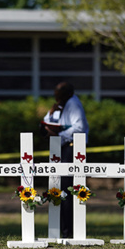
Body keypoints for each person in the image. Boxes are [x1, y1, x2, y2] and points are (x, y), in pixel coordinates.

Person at [42, 81, 89, 239]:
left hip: (71, 148)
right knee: (59, 187)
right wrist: (52, 112)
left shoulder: (74, 104)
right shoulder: (61, 106)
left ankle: (69, 231)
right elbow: (48, 122)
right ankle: (64, 229)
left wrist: (59, 135)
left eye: (58, 95)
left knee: (67, 189)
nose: (56, 98)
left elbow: (80, 127)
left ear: (66, 94)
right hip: (60, 147)